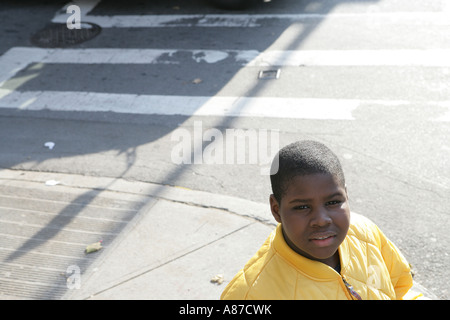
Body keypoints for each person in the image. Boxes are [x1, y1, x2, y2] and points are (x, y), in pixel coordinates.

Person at [221, 140, 422, 300]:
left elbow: (400, 289)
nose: (321, 220)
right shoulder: (251, 294)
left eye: (333, 202)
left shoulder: (364, 233)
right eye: (302, 207)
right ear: (276, 210)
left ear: (346, 195)